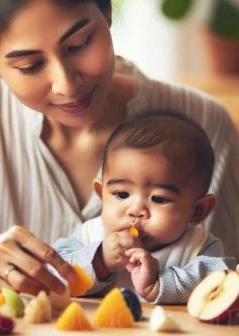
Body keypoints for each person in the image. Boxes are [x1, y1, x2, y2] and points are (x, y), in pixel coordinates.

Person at [0, 0, 238, 294]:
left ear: (106, 7)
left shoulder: (204, 122)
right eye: (30, 66)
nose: (67, 85)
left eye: (79, 44)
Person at [53, 110, 236, 304]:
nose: (135, 210)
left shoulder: (200, 247)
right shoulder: (89, 236)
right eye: (122, 195)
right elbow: (52, 277)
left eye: (158, 199)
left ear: (198, 210)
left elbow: (220, 284)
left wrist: (159, 284)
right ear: (101, 195)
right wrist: (99, 262)